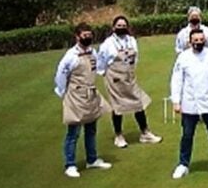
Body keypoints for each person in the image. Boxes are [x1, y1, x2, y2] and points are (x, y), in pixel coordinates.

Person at [170, 29, 208, 179]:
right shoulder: (183, 57)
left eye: (201, 40)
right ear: (190, 42)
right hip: (190, 103)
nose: (198, 43)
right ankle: (183, 164)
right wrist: (176, 101)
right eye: (195, 40)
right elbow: (177, 80)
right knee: (187, 136)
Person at [54, 23, 112, 178]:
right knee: (73, 132)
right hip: (76, 96)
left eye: (89, 34)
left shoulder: (93, 53)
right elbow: (61, 76)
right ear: (77, 36)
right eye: (84, 35)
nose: (87, 38)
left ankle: (92, 159)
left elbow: (98, 68)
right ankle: (70, 164)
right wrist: (63, 93)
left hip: (90, 94)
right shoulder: (70, 56)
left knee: (91, 129)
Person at [97, 16, 160, 148]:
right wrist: (106, 74)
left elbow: (135, 57)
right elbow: (101, 61)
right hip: (115, 78)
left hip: (129, 77)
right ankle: (119, 136)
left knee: (138, 103)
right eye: (118, 26)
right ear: (113, 27)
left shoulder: (131, 40)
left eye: (124, 25)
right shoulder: (108, 44)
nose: (121, 28)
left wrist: (130, 71)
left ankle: (145, 133)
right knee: (118, 106)